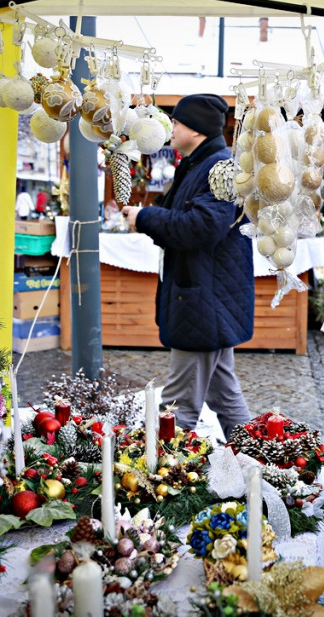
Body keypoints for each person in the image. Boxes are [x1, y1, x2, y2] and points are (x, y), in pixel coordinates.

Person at [122, 94, 254, 441]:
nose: (171, 129)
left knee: (177, 410)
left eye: (177, 123)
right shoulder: (198, 165)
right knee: (225, 396)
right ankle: (258, 465)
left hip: (204, 301)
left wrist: (146, 217)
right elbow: (185, 222)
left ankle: (158, 480)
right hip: (205, 298)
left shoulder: (221, 168)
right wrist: (146, 220)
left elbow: (200, 228)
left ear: (194, 129)